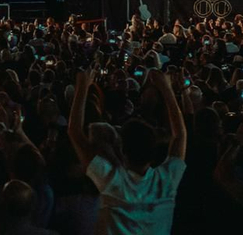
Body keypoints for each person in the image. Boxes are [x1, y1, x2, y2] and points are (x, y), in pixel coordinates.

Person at [69, 67, 187, 234]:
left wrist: (82, 86)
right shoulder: (166, 181)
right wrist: (167, 89)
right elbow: (180, 135)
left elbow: (75, 132)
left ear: (122, 150)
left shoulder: (112, 180)